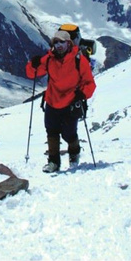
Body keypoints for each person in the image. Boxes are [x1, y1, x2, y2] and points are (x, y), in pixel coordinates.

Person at [26, 29, 96, 173]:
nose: (58, 45)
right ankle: (53, 162)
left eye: (61, 42)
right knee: (51, 132)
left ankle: (74, 152)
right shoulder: (50, 59)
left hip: (70, 102)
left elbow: (89, 83)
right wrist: (33, 63)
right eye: (56, 42)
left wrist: (82, 94)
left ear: (68, 43)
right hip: (52, 100)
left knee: (69, 133)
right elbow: (32, 73)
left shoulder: (78, 59)